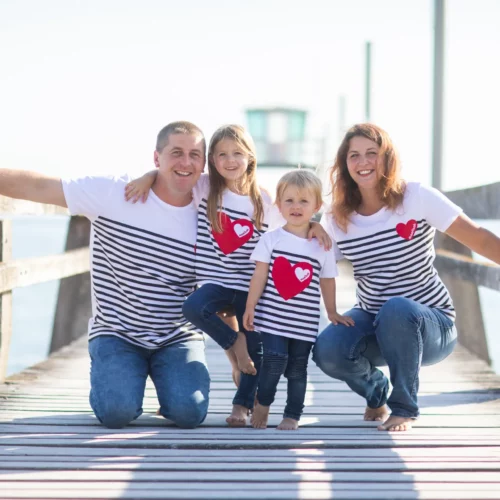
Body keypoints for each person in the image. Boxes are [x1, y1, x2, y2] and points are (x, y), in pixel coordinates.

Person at [0, 121, 211, 429]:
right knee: (116, 412)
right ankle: (119, 381)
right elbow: (39, 187)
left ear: (204, 164)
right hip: (117, 333)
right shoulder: (113, 194)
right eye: (176, 152)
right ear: (156, 158)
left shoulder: (211, 207)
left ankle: (168, 386)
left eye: (195, 154)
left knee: (190, 413)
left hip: (177, 336)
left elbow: (268, 206)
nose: (186, 162)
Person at [125, 124, 331, 427]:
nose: (230, 160)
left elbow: (292, 224)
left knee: (257, 351)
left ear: (250, 157)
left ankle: (241, 407)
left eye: (237, 153)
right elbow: (172, 175)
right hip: (216, 283)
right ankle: (233, 343)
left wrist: (315, 225)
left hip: (251, 287)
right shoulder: (205, 188)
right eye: (221, 154)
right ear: (212, 159)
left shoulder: (263, 200)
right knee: (193, 307)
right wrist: (146, 177)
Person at [313, 123, 500, 432]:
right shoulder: (337, 216)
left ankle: (404, 408)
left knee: (397, 308)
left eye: (372, 153)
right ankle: (377, 394)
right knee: (328, 349)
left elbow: (478, 238)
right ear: (345, 164)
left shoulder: (416, 197)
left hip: (432, 326)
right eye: (354, 156)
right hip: (373, 319)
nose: (363, 163)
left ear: (387, 158)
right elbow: (316, 267)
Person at [242, 170, 354, 430]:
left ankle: (292, 414)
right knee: (273, 362)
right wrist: (250, 306)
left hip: (304, 323)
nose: (295, 206)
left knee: (297, 370)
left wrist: (333, 311)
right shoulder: (271, 239)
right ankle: (264, 402)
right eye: (289, 200)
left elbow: (328, 280)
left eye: (304, 201)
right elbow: (258, 276)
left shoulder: (323, 246)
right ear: (279, 205)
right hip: (271, 318)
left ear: (316, 206)